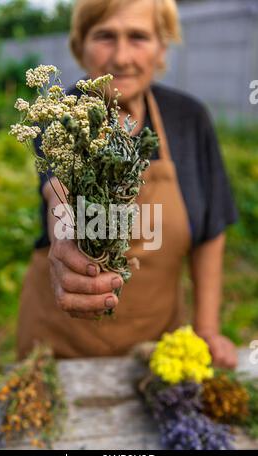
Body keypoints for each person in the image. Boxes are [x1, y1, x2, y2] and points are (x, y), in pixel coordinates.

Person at [17, 0, 239, 369]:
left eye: (138, 37)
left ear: (161, 47)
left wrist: (206, 328)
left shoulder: (188, 118)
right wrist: (66, 237)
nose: (121, 57)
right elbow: (59, 193)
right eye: (105, 36)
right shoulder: (60, 113)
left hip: (157, 347)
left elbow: (210, 229)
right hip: (61, 347)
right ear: (80, 44)